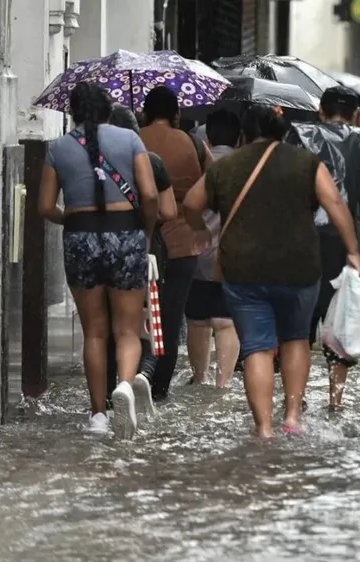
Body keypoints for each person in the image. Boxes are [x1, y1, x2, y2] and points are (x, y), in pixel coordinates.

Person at [182, 104, 360, 438]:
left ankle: (264, 429)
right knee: (295, 339)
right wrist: (353, 250)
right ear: (282, 133)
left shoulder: (227, 166)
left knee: (257, 347)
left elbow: (191, 203)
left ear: (244, 134)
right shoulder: (306, 162)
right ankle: (292, 417)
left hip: (243, 269)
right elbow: (335, 204)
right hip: (298, 267)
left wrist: (201, 230)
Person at [38, 82, 159, 437]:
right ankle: (125, 386)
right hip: (127, 235)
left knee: (94, 331)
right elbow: (150, 195)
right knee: (128, 329)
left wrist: (75, 219)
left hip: (80, 239)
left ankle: (98, 415)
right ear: (108, 110)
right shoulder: (130, 140)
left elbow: (45, 206)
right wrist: (145, 232)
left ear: (73, 112)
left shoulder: (58, 148)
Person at [285, 86, 360, 410]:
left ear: (321, 110)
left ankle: (297, 399)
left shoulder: (297, 135)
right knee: (343, 321)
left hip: (302, 241)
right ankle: (335, 400)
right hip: (350, 245)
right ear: (356, 113)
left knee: (299, 326)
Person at [103, 105, 180, 414]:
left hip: (104, 247)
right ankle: (143, 375)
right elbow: (169, 211)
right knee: (147, 320)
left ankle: (110, 394)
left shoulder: (97, 162)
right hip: (147, 251)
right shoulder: (152, 162)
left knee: (108, 324)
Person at [139, 86, 213, 401]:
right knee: (169, 319)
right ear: (176, 114)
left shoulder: (134, 141)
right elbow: (215, 181)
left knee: (136, 317)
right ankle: (159, 391)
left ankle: (137, 375)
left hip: (141, 242)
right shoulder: (194, 144)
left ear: (145, 113)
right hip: (183, 244)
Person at [185, 110, 241, 387]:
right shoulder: (244, 165)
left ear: (207, 136)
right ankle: (224, 383)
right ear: (239, 138)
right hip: (233, 254)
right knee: (226, 322)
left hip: (198, 251)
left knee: (197, 320)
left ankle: (199, 377)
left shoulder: (198, 163)